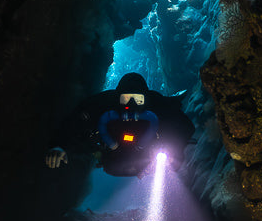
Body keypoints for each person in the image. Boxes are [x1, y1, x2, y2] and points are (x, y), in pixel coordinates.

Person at [45, 72, 195, 177]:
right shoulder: (104, 103)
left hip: (144, 159)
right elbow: (74, 122)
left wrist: (172, 147)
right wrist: (60, 145)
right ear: (117, 98)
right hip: (109, 157)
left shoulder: (156, 104)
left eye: (138, 100)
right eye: (126, 99)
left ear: (146, 99)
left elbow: (185, 126)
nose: (131, 105)